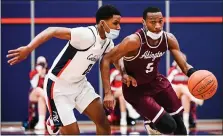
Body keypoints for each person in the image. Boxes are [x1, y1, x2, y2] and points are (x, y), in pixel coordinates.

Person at [7, 5, 121, 135]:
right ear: (102, 23)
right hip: (58, 87)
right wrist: (28, 48)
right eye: (115, 23)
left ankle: (55, 120)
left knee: (104, 124)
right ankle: (54, 121)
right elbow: (52, 30)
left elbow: (114, 60)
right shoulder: (85, 35)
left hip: (80, 85)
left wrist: (125, 75)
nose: (119, 27)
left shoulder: (107, 42)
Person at [100, 7, 199, 135]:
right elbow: (107, 59)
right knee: (169, 126)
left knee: (180, 128)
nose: (158, 26)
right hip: (136, 89)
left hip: (157, 82)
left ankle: (153, 122)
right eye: (153, 22)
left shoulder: (169, 39)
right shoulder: (133, 41)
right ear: (144, 22)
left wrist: (196, 75)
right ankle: (151, 123)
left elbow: (184, 67)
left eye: (160, 21)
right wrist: (109, 91)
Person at [168, 57, 203, 134]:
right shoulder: (172, 71)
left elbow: (191, 86)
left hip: (185, 94)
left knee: (185, 97)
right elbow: (167, 85)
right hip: (173, 93)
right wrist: (179, 87)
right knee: (180, 87)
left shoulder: (187, 72)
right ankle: (194, 98)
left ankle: (185, 122)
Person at [29, 56, 48, 130]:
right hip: (33, 95)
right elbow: (34, 85)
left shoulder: (48, 73)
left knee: (41, 98)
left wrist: (44, 75)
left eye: (43, 64)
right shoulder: (33, 73)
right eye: (40, 64)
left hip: (42, 96)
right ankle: (49, 99)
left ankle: (41, 122)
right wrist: (39, 74)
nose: (41, 66)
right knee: (38, 89)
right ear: (36, 64)